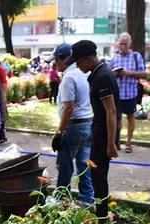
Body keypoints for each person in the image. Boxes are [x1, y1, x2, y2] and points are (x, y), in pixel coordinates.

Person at [70, 40, 119, 221]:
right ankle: (101, 213)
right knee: (98, 175)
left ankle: (102, 217)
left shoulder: (102, 77)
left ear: (89, 59)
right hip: (100, 131)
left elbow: (111, 111)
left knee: (98, 176)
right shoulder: (101, 73)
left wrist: (111, 143)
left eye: (79, 61)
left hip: (104, 134)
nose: (77, 65)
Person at [47, 43, 94, 205]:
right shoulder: (81, 74)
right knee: (83, 165)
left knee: (65, 164)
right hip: (87, 124)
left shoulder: (68, 77)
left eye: (57, 60)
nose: (55, 64)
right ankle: (87, 199)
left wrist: (59, 132)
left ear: (64, 58)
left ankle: (61, 199)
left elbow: (68, 108)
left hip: (73, 126)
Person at [108, 32, 146, 153]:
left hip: (130, 93)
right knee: (117, 118)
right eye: (121, 44)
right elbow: (108, 74)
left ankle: (129, 142)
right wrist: (115, 73)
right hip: (117, 93)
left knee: (130, 117)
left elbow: (143, 73)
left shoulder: (136, 56)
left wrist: (128, 73)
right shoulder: (115, 57)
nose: (123, 46)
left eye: (125, 44)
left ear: (130, 44)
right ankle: (116, 141)